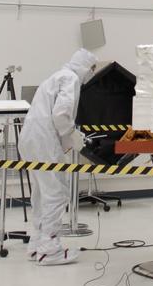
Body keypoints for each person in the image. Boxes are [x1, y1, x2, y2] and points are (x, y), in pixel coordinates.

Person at [19, 48, 101, 266]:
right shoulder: (71, 78)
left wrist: (68, 136)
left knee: (41, 192)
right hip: (44, 140)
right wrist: (73, 135)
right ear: (85, 67)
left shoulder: (55, 77)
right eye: (92, 69)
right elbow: (61, 114)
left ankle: (36, 244)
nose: (91, 74)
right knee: (55, 192)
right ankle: (50, 249)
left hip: (29, 138)